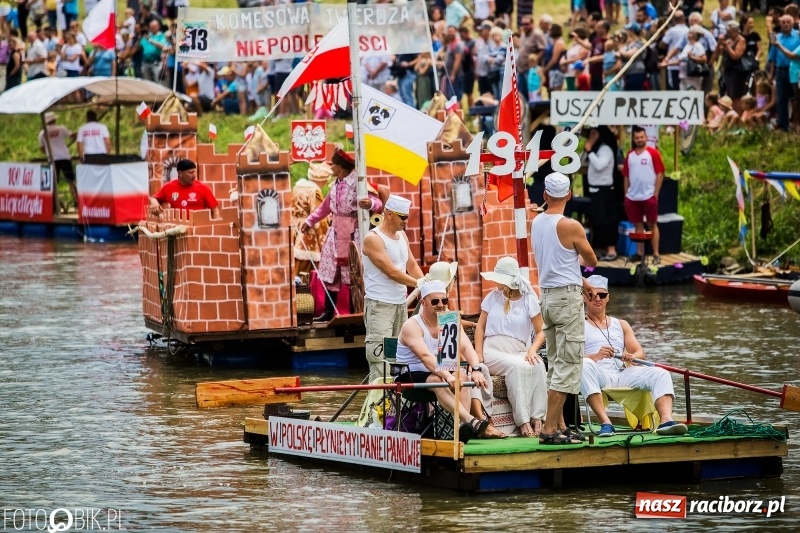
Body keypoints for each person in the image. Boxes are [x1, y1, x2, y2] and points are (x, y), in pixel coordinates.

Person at [531, 172, 597, 445]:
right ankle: (548, 430)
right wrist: (583, 273)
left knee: (556, 364)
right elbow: (591, 259)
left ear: (545, 195)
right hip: (566, 302)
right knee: (568, 365)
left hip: (546, 297)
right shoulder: (572, 226)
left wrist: (580, 281)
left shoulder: (536, 222)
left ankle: (559, 425)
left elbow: (556, 262)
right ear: (569, 195)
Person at [395, 280, 505, 441]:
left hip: (440, 370)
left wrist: (476, 369)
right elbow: (426, 357)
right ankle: (471, 420)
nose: (441, 305)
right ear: (423, 303)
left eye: (444, 300)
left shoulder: (449, 320)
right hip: (409, 376)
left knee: (464, 376)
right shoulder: (411, 325)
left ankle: (462, 427)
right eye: (435, 301)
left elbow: (467, 348)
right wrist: (448, 376)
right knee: (437, 379)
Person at [580, 275, 688, 437]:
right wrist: (596, 356)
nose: (597, 299)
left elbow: (640, 353)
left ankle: (666, 421)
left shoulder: (621, 324)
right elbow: (573, 359)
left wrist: (630, 356)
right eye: (592, 295)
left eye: (601, 295)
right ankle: (606, 423)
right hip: (597, 373)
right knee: (584, 365)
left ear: (608, 298)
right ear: (584, 297)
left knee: (660, 372)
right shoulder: (578, 324)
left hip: (622, 373)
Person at [302, 149, 383, 322]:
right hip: (335, 232)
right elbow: (325, 208)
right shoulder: (335, 185)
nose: (331, 167)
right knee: (330, 269)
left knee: (354, 272)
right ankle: (328, 311)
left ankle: (356, 310)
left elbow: (378, 203)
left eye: (333, 164)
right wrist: (309, 221)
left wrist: (371, 203)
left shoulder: (358, 184)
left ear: (340, 167)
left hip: (354, 233)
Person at [474, 256, 547, 437]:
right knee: (515, 367)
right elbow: (480, 327)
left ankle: (537, 418)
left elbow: (541, 331)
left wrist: (532, 350)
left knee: (538, 364)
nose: (495, 282)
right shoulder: (492, 297)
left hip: (519, 350)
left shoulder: (529, 299)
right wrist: (478, 356)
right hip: (492, 350)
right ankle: (522, 421)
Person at [362, 193, 424, 382]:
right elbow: (392, 272)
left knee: (399, 357)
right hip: (379, 305)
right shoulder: (373, 238)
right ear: (389, 214)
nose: (406, 221)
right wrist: (421, 284)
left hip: (400, 304)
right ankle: (377, 408)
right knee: (379, 359)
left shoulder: (402, 236)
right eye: (402, 217)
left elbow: (411, 265)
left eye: (407, 217)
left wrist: (429, 286)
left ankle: (395, 407)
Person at [623, 126, 665, 264]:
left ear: (646, 137)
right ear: (634, 139)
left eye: (642, 137)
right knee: (638, 225)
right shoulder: (630, 155)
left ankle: (656, 254)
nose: (639, 140)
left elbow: (660, 173)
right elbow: (626, 176)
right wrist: (626, 194)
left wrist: (656, 193)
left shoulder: (653, 153)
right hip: (633, 196)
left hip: (649, 195)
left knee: (652, 224)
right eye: (637, 138)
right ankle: (639, 253)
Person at [584, 126, 621, 262]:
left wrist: (589, 150)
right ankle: (601, 248)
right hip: (595, 190)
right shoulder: (597, 148)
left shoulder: (605, 149)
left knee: (607, 220)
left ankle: (612, 250)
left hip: (604, 190)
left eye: (594, 133)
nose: (591, 136)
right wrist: (589, 149)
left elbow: (600, 165)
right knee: (598, 220)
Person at [293, 163, 330, 277]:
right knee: (308, 260)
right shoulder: (314, 190)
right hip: (308, 227)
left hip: (295, 224)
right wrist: (324, 237)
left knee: (295, 258)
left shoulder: (297, 187)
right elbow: (318, 214)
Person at [149, 159, 219, 217]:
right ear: (180, 174)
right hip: (178, 229)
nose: (194, 176)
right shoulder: (168, 187)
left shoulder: (203, 187)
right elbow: (155, 198)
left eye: (194, 172)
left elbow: (215, 210)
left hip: (199, 229)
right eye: (190, 173)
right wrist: (153, 201)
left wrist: (216, 229)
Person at [38, 112, 77, 213]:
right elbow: (72, 136)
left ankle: (54, 204)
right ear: (54, 120)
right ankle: (76, 201)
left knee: (53, 183)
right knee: (71, 180)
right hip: (64, 158)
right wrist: (79, 133)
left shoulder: (42, 133)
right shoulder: (61, 128)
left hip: (52, 159)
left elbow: (42, 149)